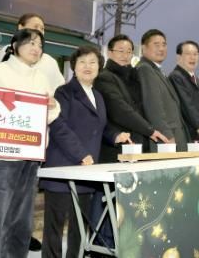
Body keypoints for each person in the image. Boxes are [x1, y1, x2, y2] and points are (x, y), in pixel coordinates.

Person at [0, 28, 61, 258]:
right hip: (0, 157)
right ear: (14, 46)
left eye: (40, 45)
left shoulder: (40, 77)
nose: (36, 48)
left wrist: (53, 106)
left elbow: (51, 113)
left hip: (30, 157)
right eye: (31, 43)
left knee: (21, 221)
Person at [41, 45, 131, 258]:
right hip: (63, 168)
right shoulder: (64, 92)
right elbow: (59, 126)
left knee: (80, 228)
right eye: (82, 62)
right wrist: (80, 154)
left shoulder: (97, 95)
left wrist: (115, 135)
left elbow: (101, 126)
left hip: (86, 172)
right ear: (74, 67)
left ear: (99, 67)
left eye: (92, 62)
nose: (87, 66)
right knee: (54, 228)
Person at [94, 34, 169, 162]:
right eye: (121, 51)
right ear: (109, 53)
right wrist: (149, 131)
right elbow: (120, 110)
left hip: (139, 146)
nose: (125, 55)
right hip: (118, 148)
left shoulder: (134, 76)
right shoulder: (104, 77)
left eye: (129, 52)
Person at [136, 29, 188, 151]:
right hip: (165, 139)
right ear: (144, 48)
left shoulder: (157, 70)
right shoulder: (145, 69)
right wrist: (167, 136)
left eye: (164, 45)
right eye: (156, 44)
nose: (161, 48)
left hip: (174, 135)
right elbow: (153, 107)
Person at [0, 13, 65, 90]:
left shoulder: (49, 62)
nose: (39, 31)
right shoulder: (5, 53)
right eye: (35, 26)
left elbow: (59, 88)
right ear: (21, 27)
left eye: (42, 29)